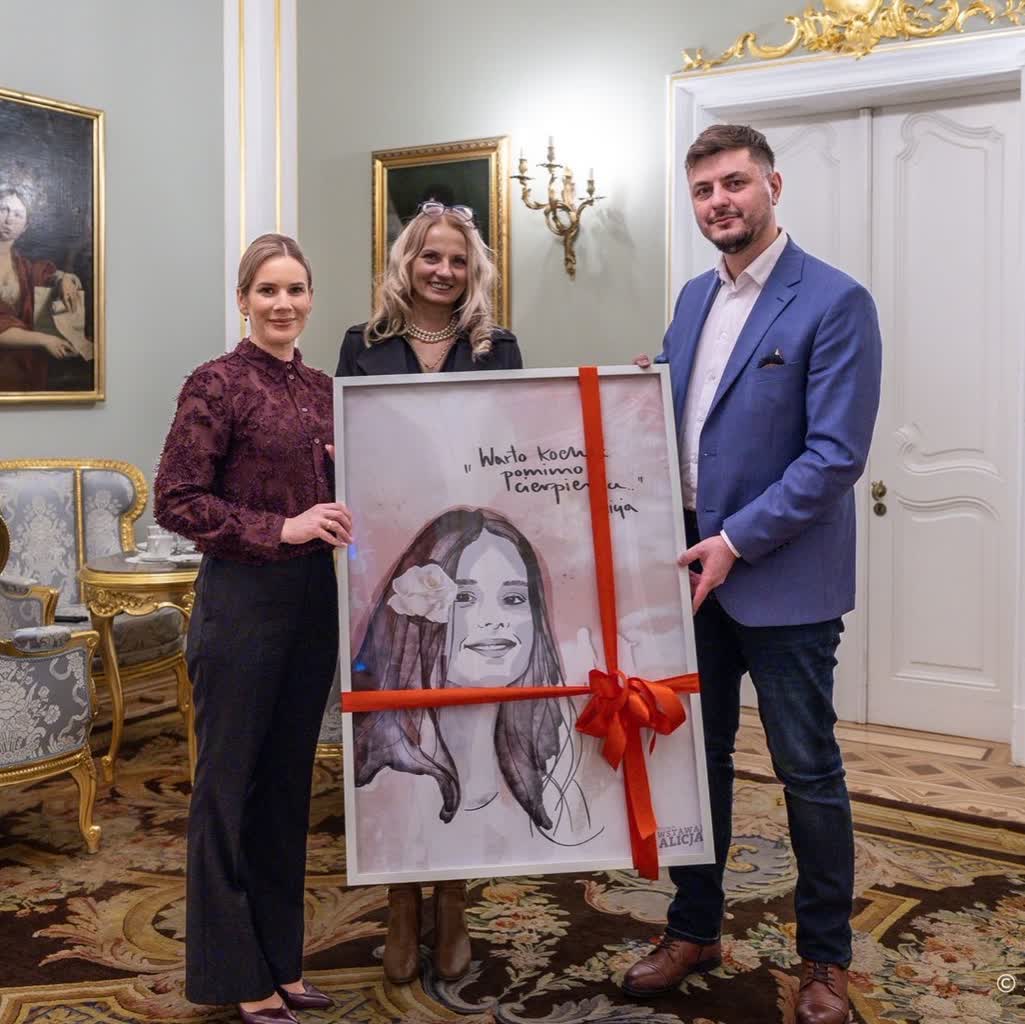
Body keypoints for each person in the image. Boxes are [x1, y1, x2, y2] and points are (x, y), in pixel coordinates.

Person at [621, 125, 881, 1024]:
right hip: (685, 571)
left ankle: (823, 959)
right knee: (694, 763)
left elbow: (833, 455)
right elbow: (669, 418)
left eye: (733, 183)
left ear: (771, 185)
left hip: (781, 577)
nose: (718, 202)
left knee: (807, 770)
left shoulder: (836, 301)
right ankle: (692, 929)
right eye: (702, 190)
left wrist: (735, 540)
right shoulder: (692, 298)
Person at [155, 233, 352, 1024]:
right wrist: (284, 528)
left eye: (295, 289)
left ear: (311, 299)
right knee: (228, 788)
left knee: (286, 789)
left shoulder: (325, 390)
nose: (283, 303)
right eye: (267, 290)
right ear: (243, 300)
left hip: (311, 603)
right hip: (239, 602)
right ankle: (235, 973)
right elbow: (176, 498)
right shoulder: (216, 383)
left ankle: (281, 961)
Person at [336, 202, 522, 986]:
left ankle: (452, 900)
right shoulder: (362, 344)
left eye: (456, 260)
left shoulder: (497, 347)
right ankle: (398, 902)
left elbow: (512, 445)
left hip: (468, 553)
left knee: (457, 723)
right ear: (405, 263)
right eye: (429, 257)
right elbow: (346, 448)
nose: (442, 271)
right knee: (398, 722)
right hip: (387, 556)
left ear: (471, 269)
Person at [353, 506, 590, 834]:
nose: (494, 619)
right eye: (464, 597)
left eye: (514, 598)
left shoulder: (561, 768)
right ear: (417, 614)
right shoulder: (381, 791)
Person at [0, 187, 85, 391]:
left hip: (24, 368)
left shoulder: (24, 266)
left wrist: (63, 278)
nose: (9, 219)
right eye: (3, 209)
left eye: (18, 214)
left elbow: (46, 275)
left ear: (25, 226)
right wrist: (44, 340)